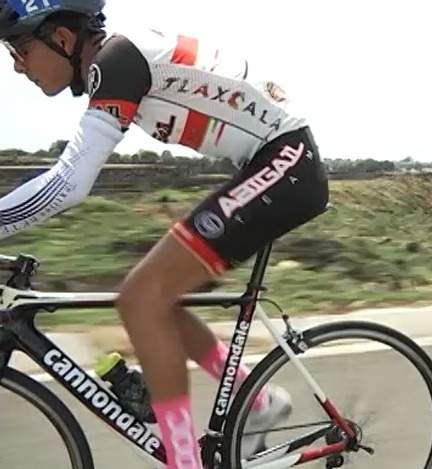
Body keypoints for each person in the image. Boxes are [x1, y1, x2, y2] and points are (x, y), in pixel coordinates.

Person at [0, 1, 330, 467]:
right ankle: (258, 402)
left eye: (19, 50)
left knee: (142, 297)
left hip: (287, 162)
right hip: (270, 161)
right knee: (152, 297)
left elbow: (69, 183)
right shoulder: (115, 63)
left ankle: (185, 460)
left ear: (64, 39)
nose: (17, 67)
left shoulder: (118, 61)